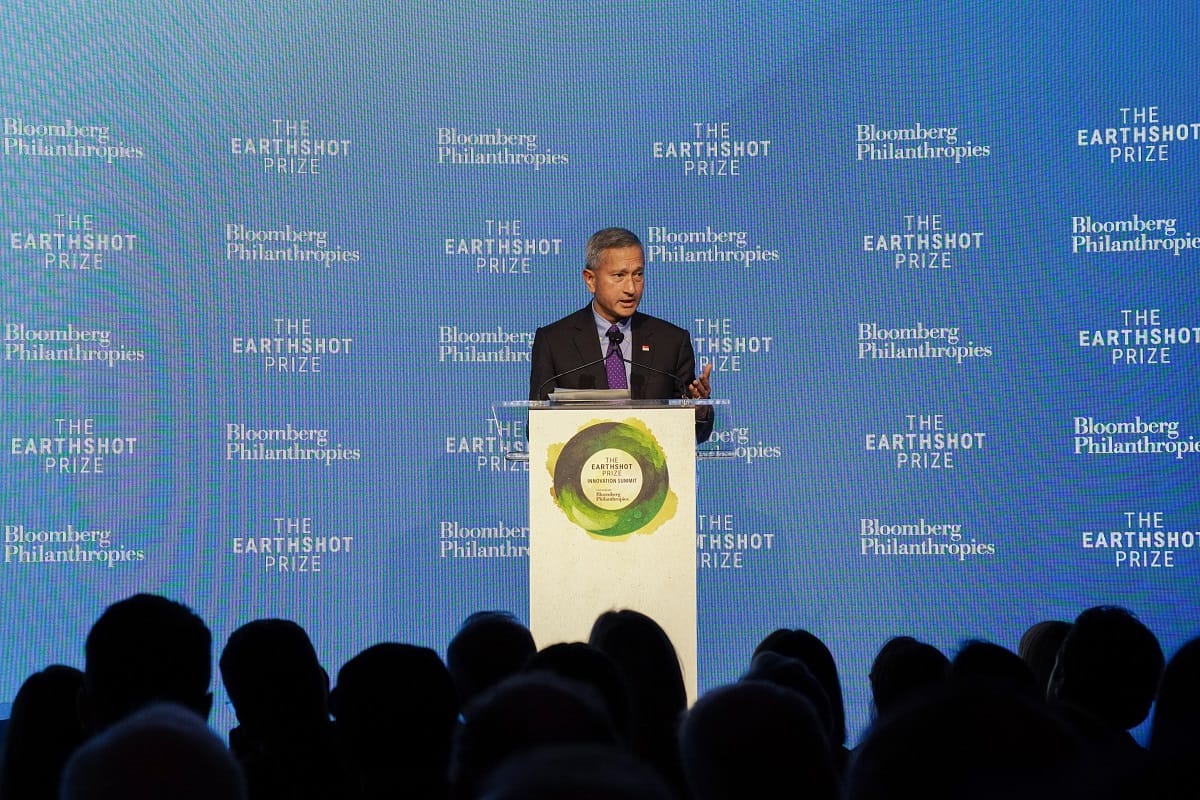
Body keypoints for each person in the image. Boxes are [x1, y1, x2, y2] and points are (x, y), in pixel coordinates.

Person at [528, 227, 713, 439]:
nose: (631, 289)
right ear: (590, 280)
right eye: (619, 276)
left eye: (638, 275)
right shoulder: (554, 342)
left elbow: (692, 435)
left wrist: (699, 410)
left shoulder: (671, 341)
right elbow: (536, 431)